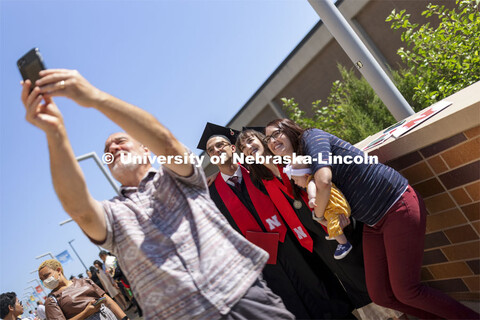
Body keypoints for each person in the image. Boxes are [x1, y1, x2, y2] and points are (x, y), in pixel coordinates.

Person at [21, 69, 293, 320]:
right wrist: (55, 133)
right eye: (108, 149)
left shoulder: (181, 177)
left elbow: (165, 142)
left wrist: (94, 98)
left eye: (121, 140)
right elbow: (79, 209)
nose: (113, 147)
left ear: (145, 149)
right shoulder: (113, 216)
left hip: (246, 296)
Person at [264, 118, 480, 320]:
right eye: (268, 140)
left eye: (276, 134)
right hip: (373, 222)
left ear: (290, 129)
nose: (272, 141)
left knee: (407, 291)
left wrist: (318, 215)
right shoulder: (302, 162)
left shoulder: (312, 137)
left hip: (395, 204)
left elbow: (324, 180)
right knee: (381, 295)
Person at [237, 128, 403, 319]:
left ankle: (400, 313)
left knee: (367, 275)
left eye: (251, 141)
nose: (248, 147)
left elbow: (321, 179)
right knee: (352, 283)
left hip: (334, 222)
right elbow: (233, 173)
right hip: (315, 238)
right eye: (243, 147)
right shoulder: (262, 178)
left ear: (263, 140)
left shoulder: (289, 158)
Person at [197, 123, 354, 319]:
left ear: (233, 148)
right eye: (211, 150)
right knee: (291, 307)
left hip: (293, 245)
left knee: (323, 294)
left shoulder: (259, 170)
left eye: (221, 145)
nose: (216, 150)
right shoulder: (211, 194)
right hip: (261, 263)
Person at [284, 157, 353, 259]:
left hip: (335, 208)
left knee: (334, 224)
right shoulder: (316, 178)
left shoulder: (311, 181)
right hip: (337, 206)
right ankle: (333, 232)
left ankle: (344, 244)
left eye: (296, 180)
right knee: (331, 222)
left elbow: (312, 191)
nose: (295, 183)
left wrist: (312, 199)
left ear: (306, 175)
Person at [38, 259, 126, 320]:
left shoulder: (84, 281)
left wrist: (124, 318)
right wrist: (86, 312)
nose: (45, 280)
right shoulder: (51, 301)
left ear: (58, 270)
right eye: (42, 279)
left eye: (46, 275)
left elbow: (107, 300)